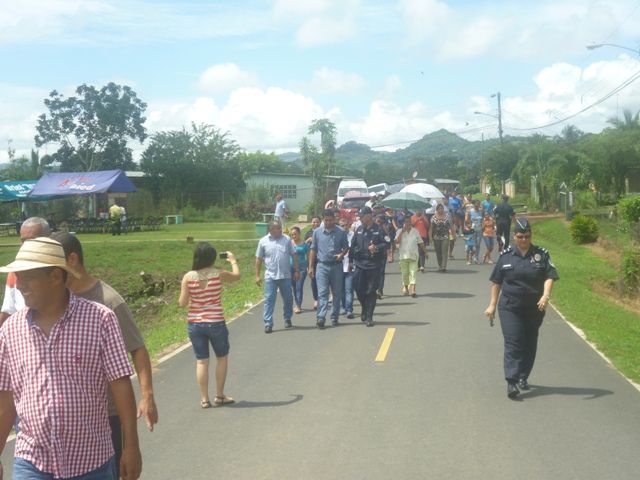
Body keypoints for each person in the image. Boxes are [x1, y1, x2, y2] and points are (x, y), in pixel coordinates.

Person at [0, 237, 142, 479]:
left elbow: (120, 384)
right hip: (32, 462)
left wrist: (131, 446)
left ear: (56, 277)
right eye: (18, 277)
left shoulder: (100, 320)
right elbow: (6, 399)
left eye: (28, 277)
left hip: (91, 462)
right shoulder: (10, 331)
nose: (19, 285)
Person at [51, 232, 158, 466]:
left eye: (53, 263)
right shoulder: (55, 301)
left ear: (72, 260)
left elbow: (137, 347)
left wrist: (147, 395)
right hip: (67, 417)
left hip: (107, 414)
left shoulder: (108, 300)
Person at [484, 218, 559, 399]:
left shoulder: (541, 254)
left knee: (529, 342)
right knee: (514, 342)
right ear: (514, 236)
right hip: (510, 307)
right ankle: (512, 381)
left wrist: (546, 295)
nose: (524, 240)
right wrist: (492, 305)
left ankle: (523, 376)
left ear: (531, 236)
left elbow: (550, 276)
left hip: (534, 307)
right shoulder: (506, 256)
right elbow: (497, 282)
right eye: (520, 237)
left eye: (527, 236)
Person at [179, 242, 240, 408]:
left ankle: (204, 399)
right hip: (215, 322)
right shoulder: (219, 274)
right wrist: (233, 260)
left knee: (201, 361)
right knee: (221, 358)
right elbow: (237, 276)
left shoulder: (188, 277)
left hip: (195, 323)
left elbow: (182, 304)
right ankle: (219, 396)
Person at [0, 217, 51, 325]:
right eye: (23, 241)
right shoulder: (14, 272)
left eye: (32, 240)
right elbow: (8, 311)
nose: (26, 246)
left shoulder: (57, 271)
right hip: (22, 330)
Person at [255, 220, 300, 333]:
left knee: (288, 299)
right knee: (269, 299)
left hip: (285, 275)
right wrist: (257, 275)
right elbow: (259, 259)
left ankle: (287, 318)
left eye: (280, 227)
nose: (281, 230)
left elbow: (294, 254)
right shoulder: (263, 241)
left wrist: (297, 270)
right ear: (271, 229)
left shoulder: (287, 240)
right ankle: (268, 323)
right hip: (270, 276)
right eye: (278, 228)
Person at [349, 206, 390, 327]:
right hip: (360, 263)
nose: (359, 219)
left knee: (371, 291)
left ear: (368, 216)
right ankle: (364, 308)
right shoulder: (359, 229)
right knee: (359, 289)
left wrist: (376, 247)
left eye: (361, 217)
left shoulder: (379, 229)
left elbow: (387, 243)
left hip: (373, 264)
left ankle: (369, 316)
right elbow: (353, 245)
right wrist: (350, 260)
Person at [308, 209, 349, 328]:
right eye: (326, 220)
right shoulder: (317, 232)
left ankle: (334, 317)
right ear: (323, 220)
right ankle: (321, 317)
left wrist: (342, 254)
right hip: (322, 266)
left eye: (330, 220)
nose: (328, 222)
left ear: (334, 219)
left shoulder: (341, 232)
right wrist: (311, 266)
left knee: (336, 293)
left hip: (336, 266)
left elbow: (346, 247)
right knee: (322, 293)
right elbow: (313, 249)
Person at [395, 214, 428, 298]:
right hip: (403, 257)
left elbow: (421, 242)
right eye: (406, 222)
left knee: (413, 273)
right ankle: (406, 289)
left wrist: (425, 252)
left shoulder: (415, 231)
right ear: (403, 223)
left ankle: (413, 291)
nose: (408, 223)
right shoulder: (399, 231)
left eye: (409, 221)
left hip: (414, 256)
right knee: (405, 274)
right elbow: (397, 242)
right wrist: (402, 232)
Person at [289, 226, 310, 314]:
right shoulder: (289, 244)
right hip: (290, 268)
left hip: (302, 268)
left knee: (299, 286)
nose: (294, 236)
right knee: (294, 286)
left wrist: (310, 267)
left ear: (299, 234)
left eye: (295, 234)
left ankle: (298, 305)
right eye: (292, 235)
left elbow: (308, 257)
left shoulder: (305, 245)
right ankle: (297, 302)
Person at [338, 217, 355, 319]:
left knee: (349, 289)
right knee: (341, 290)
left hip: (350, 266)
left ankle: (349, 309)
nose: (344, 227)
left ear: (349, 225)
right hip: (339, 266)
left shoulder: (354, 236)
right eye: (342, 226)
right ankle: (344, 306)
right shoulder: (337, 236)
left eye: (346, 225)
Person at [375, 214, 393, 299]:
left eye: (379, 220)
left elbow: (387, 241)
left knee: (381, 272)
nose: (377, 222)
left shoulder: (384, 228)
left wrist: (383, 226)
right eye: (377, 220)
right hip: (373, 254)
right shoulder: (373, 228)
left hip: (382, 253)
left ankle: (380, 290)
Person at [305, 216, 321, 309]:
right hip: (312, 260)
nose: (315, 224)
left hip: (322, 259)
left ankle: (324, 297)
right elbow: (303, 246)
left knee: (323, 279)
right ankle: (316, 299)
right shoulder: (308, 233)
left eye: (317, 222)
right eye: (314, 222)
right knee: (313, 279)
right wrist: (308, 241)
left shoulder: (323, 232)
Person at [429, 203, 452, 272]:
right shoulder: (433, 217)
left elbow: (451, 226)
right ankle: (440, 265)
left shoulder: (447, 217)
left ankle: (444, 265)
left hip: (445, 236)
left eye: (442, 208)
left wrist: (453, 235)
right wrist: (430, 236)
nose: (441, 210)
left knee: (444, 251)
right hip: (436, 237)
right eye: (439, 208)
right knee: (438, 252)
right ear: (437, 209)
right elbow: (431, 228)